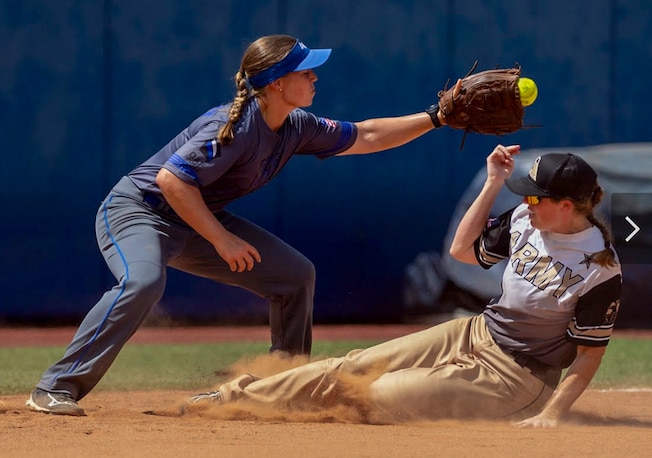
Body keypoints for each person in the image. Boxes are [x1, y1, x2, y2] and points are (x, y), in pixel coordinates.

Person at [26, 34, 453, 416]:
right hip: (138, 211)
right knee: (142, 282)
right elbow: (170, 181)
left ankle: (285, 386)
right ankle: (56, 386)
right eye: (307, 72)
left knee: (294, 275)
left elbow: (368, 135)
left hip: (194, 218)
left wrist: (436, 117)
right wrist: (222, 239)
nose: (315, 79)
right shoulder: (233, 126)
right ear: (278, 83)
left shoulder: (295, 126)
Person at [187, 145, 622, 428]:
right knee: (354, 367)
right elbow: (461, 251)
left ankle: (301, 408)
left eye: (534, 195)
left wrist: (551, 415)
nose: (525, 200)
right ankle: (228, 398)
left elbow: (588, 356)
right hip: (476, 331)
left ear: (566, 206)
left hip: (519, 378)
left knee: (379, 394)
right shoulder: (527, 219)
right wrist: (492, 183)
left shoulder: (599, 269)